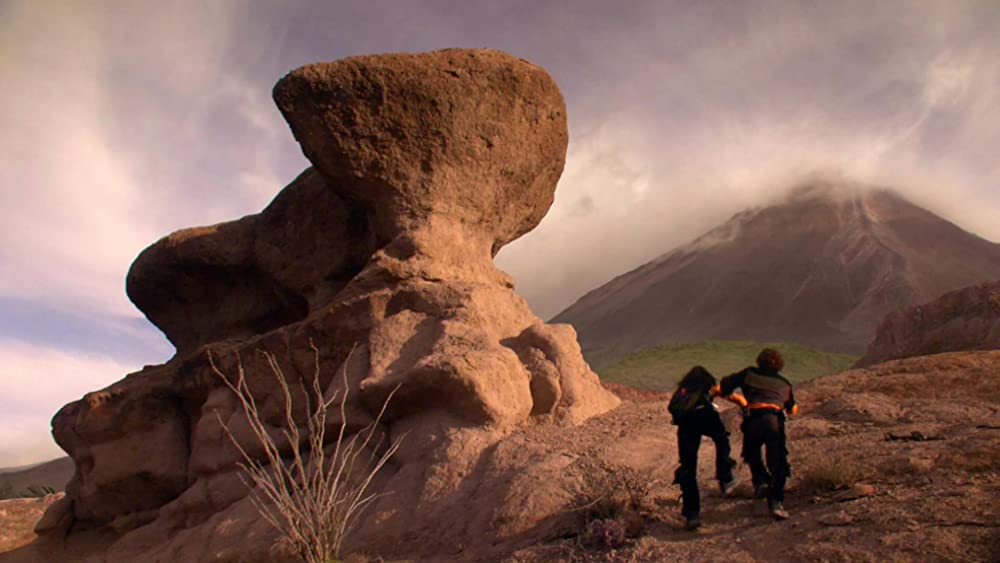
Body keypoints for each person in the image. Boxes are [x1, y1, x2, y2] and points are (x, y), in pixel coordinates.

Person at [719, 348, 798, 520]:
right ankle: (776, 502)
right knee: (777, 462)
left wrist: (738, 400)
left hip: (753, 419)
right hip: (773, 421)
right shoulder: (784, 383)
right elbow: (792, 409)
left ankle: (761, 481)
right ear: (779, 365)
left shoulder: (749, 373)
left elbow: (725, 384)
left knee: (751, 452)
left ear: (759, 361)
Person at [668, 365, 743, 531]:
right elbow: (734, 398)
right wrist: (745, 406)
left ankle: (691, 514)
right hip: (706, 417)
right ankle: (724, 474)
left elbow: (672, 408)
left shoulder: (683, 391)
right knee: (722, 438)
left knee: (688, 468)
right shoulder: (709, 387)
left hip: (686, 425)